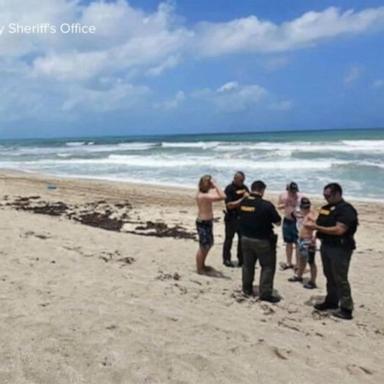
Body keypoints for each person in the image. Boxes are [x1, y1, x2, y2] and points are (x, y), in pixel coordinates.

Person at [307, 183, 358, 320]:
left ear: (337, 194)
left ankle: (346, 308)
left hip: (340, 248)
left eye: (328, 195)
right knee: (329, 275)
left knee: (340, 277)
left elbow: (339, 230)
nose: (326, 198)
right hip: (326, 245)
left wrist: (316, 226)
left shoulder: (346, 210)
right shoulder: (325, 209)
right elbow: (320, 224)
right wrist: (314, 236)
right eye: (324, 195)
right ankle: (331, 301)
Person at [239, 180, 282, 303]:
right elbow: (278, 222)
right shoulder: (266, 205)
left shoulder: (243, 203)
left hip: (245, 238)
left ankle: (246, 289)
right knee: (267, 266)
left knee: (247, 265)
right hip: (262, 240)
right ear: (262, 190)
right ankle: (265, 293)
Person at [195, 175, 226, 274]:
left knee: (209, 244)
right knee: (203, 246)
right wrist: (216, 185)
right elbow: (223, 196)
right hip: (203, 222)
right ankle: (200, 268)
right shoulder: (203, 196)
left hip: (207, 222)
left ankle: (202, 265)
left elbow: (215, 194)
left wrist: (212, 186)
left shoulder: (203, 193)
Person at [288, 197, 318, 289]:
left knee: (311, 261)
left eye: (306, 208)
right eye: (303, 207)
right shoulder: (304, 215)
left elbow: (318, 225)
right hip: (301, 240)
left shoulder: (311, 215)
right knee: (302, 259)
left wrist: (314, 238)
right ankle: (299, 276)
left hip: (308, 241)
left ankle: (313, 281)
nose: (304, 209)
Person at [222, 171, 250, 268]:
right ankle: (226, 259)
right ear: (235, 179)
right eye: (240, 180)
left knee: (242, 240)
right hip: (231, 217)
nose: (242, 182)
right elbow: (229, 205)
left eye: (243, 180)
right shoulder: (229, 189)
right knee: (229, 239)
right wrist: (242, 199)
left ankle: (241, 259)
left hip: (242, 218)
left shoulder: (245, 188)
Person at [278, 182, 302, 270]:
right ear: (288, 190)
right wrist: (285, 205)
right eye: (292, 191)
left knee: (298, 243)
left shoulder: (300, 197)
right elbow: (279, 206)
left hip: (297, 221)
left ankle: (298, 264)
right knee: (288, 242)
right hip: (287, 220)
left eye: (295, 191)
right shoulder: (283, 196)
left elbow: (306, 208)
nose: (293, 193)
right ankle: (289, 262)